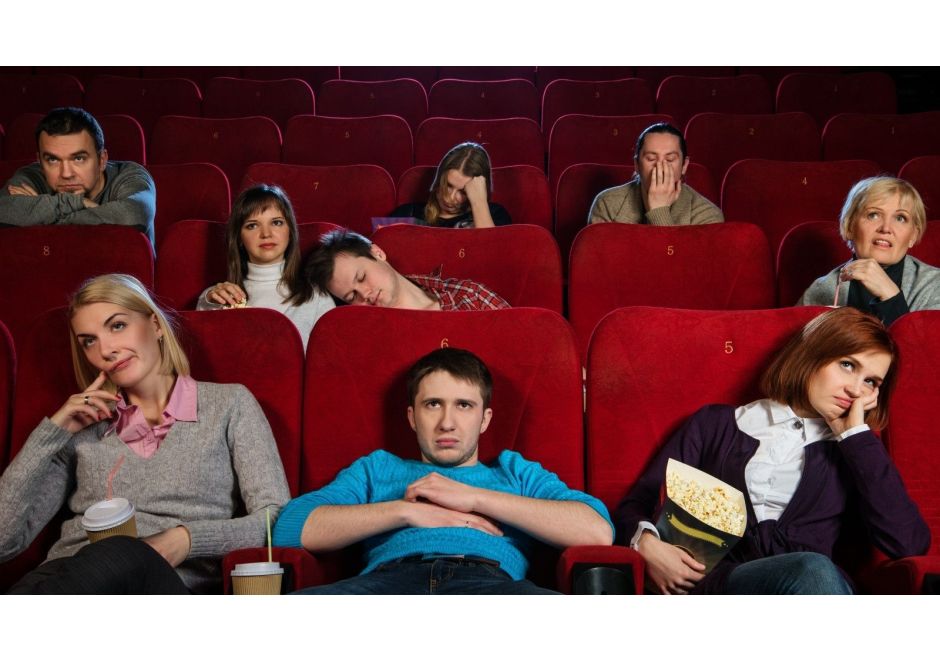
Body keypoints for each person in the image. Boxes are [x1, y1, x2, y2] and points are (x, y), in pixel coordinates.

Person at [0, 274, 290, 594]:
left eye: (117, 325)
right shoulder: (81, 427)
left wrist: (185, 539)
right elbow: (3, 543)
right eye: (89, 341)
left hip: (161, 584)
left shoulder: (229, 404)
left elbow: (275, 518)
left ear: (154, 324)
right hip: (65, 578)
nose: (106, 349)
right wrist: (50, 434)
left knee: (121, 550)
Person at [616, 307, 929, 595]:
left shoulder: (858, 450)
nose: (856, 389)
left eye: (871, 382)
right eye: (847, 365)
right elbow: (639, 501)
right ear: (811, 354)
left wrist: (855, 437)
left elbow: (908, 543)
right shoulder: (716, 424)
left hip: (813, 595)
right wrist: (646, 544)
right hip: (722, 590)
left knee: (814, 570)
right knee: (813, 570)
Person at [273, 347, 613, 594]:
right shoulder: (377, 468)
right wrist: (407, 513)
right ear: (411, 416)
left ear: (485, 420)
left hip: (491, 588)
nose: (446, 423)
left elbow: (596, 531)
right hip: (385, 585)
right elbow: (290, 528)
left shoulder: (514, 471)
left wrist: (472, 498)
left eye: (464, 406)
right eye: (432, 404)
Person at [196, 184, 335, 351]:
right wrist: (210, 303)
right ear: (239, 238)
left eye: (276, 222)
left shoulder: (318, 298)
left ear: (290, 231)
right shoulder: (217, 297)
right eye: (252, 225)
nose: (266, 234)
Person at [0, 107, 157, 245]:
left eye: (78, 158)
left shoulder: (129, 175)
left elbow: (132, 216)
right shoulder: (31, 176)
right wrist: (79, 202)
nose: (66, 174)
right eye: (53, 160)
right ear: (40, 162)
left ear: (102, 160)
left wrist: (38, 219)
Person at [798, 176, 940, 326]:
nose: (885, 228)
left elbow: (926, 348)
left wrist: (891, 296)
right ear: (850, 227)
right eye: (873, 215)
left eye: (900, 218)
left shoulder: (934, 285)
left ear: (913, 236)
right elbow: (800, 348)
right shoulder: (821, 290)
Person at [302, 229, 511, 310]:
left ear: (377, 253)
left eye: (362, 277)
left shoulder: (467, 296)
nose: (364, 294)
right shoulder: (368, 340)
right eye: (351, 296)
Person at [588, 122, 723, 226]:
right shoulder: (607, 203)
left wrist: (659, 211)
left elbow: (678, 262)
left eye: (670, 159)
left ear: (684, 166)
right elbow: (603, 261)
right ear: (636, 164)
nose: (660, 167)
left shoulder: (707, 215)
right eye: (651, 159)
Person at [391, 142, 511, 228]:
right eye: (448, 185)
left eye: (463, 191)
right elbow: (376, 254)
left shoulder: (496, 215)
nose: (450, 198)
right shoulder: (408, 213)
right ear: (439, 179)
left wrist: (479, 203)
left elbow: (492, 255)